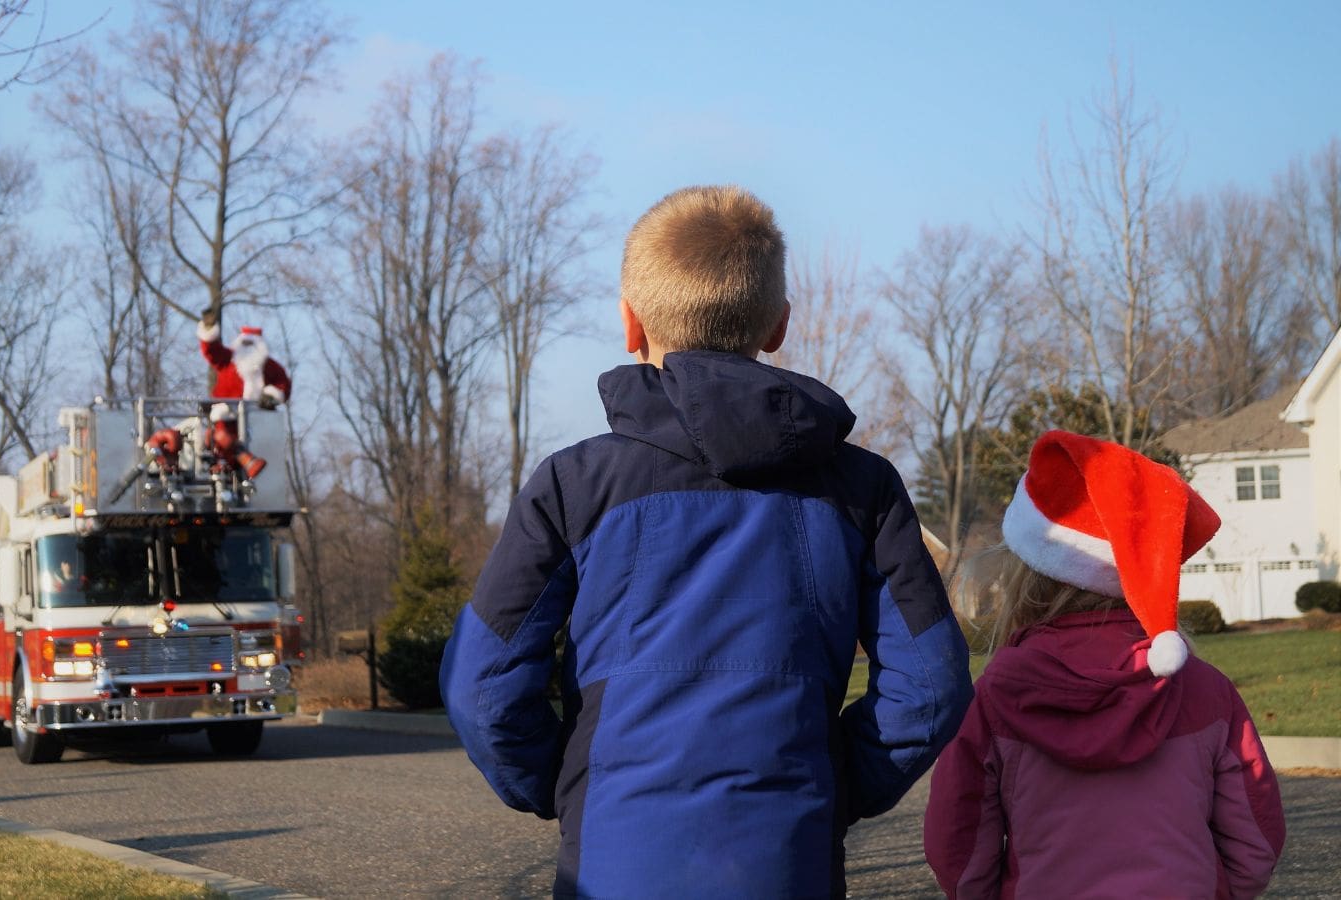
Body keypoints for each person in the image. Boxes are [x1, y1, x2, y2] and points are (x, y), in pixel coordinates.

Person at [439, 185, 974, 898]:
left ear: (630, 322)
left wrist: (572, 785)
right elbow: (932, 684)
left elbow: (483, 688)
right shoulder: (862, 489)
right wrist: (833, 784)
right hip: (791, 862)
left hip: (611, 860)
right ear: (779, 324)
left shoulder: (572, 485)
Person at [923, 431, 1285, 899]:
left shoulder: (996, 696)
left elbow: (959, 842)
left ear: (1024, 575)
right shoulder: (1203, 690)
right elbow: (1255, 836)